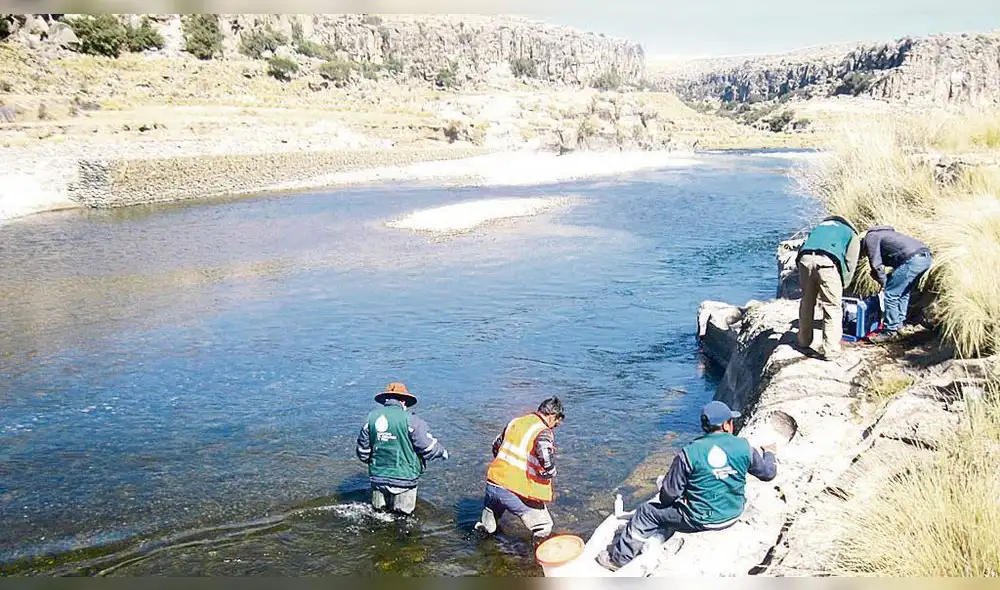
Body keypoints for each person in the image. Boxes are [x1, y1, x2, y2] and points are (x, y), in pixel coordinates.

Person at [596, 401, 777, 571]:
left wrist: (671, 488)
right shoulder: (743, 446)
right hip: (733, 513)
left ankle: (618, 559)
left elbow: (668, 496)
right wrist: (769, 453)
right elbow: (768, 474)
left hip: (701, 519)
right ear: (725, 425)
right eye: (731, 421)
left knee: (646, 512)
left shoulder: (689, 453)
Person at [475, 396, 564, 542]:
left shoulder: (516, 422)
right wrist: (551, 471)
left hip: (493, 483)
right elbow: (544, 454)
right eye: (556, 422)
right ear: (552, 415)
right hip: (513, 489)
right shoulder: (543, 431)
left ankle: (479, 550)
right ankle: (534, 562)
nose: (555, 426)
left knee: (487, 528)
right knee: (544, 526)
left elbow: (496, 445)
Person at [356, 382, 449, 516]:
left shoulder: (371, 419)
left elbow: (363, 452)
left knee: (378, 515)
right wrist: (442, 452)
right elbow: (428, 447)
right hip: (404, 479)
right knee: (403, 518)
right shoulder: (412, 421)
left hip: (377, 478)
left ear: (386, 400)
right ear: (404, 401)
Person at [795, 215, 861, 360]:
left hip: (804, 259)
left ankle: (803, 341)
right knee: (832, 306)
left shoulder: (818, 228)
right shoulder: (850, 233)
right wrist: (845, 284)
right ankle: (831, 350)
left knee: (807, 301)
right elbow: (851, 262)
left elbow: (804, 246)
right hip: (827, 263)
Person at [861, 226, 933, 343]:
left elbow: (876, 265)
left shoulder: (871, 237)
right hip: (925, 258)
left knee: (891, 293)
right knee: (903, 291)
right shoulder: (886, 234)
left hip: (913, 259)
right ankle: (899, 324)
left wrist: (884, 283)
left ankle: (889, 331)